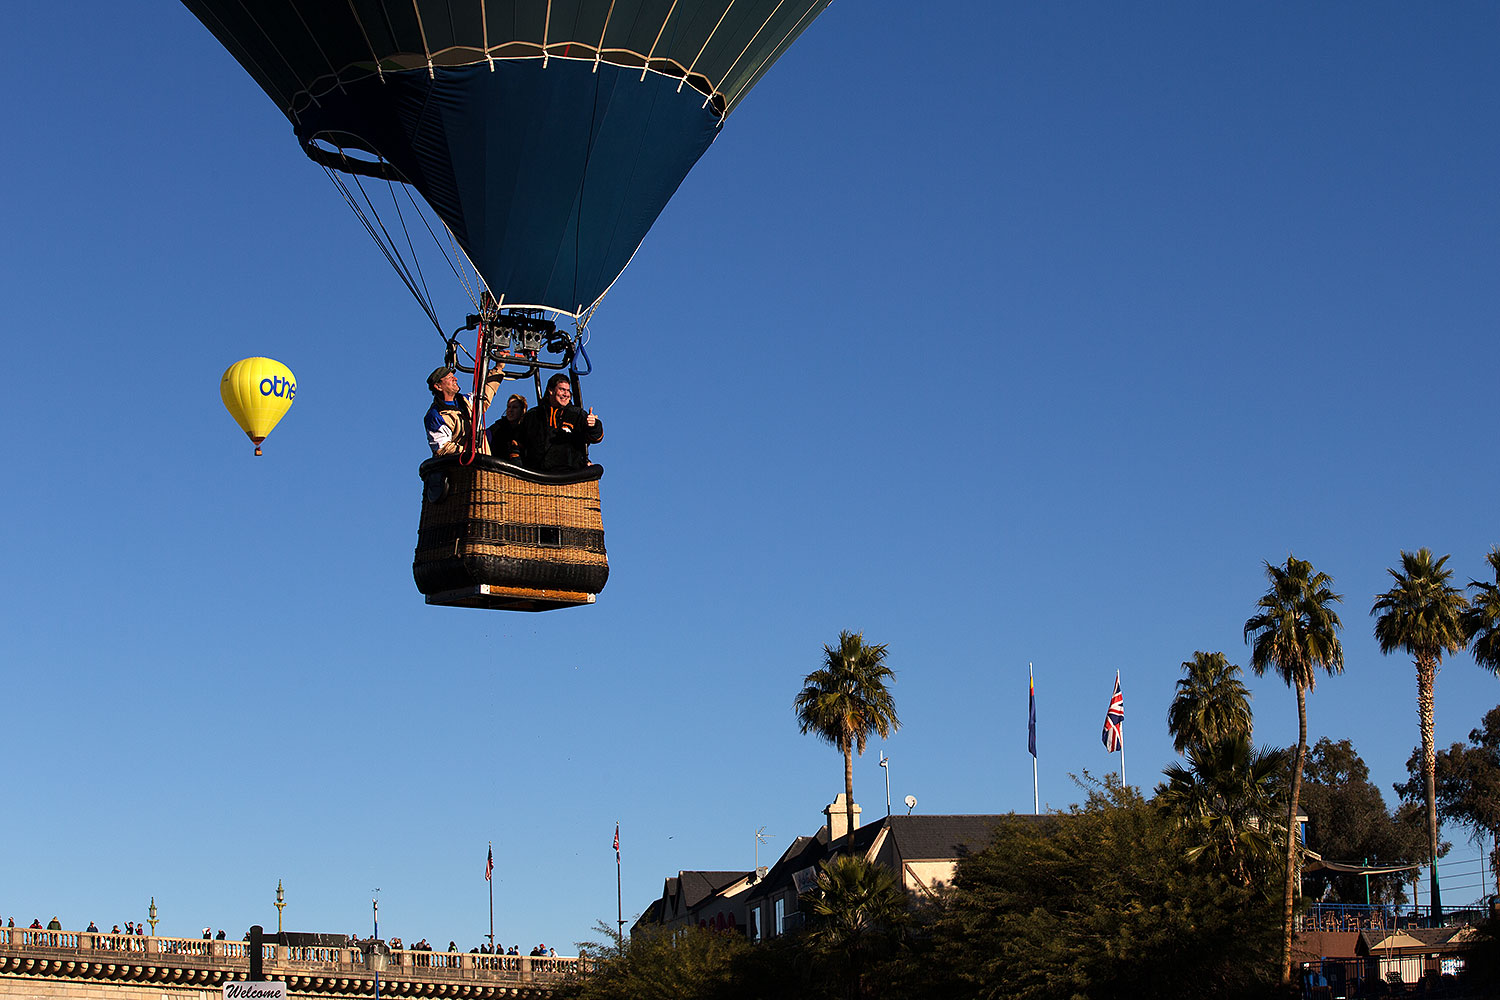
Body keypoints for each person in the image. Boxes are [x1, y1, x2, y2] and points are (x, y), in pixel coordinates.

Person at [519, 374, 603, 473]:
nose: (566, 394)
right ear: (551, 390)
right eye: (562, 389)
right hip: (537, 475)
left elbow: (596, 437)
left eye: (568, 391)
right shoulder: (533, 415)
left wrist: (594, 425)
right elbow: (519, 442)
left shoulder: (577, 414)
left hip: (568, 475)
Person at [425, 363, 504, 457]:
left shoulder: (465, 401)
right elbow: (442, 448)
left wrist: (498, 368)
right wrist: (469, 451)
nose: (455, 379)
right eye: (449, 377)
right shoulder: (436, 416)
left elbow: (485, 396)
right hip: (459, 468)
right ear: (438, 386)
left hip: (481, 464)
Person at [487, 394, 529, 464]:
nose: (510, 410)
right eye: (508, 407)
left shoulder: (527, 430)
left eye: (514, 407)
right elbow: (485, 438)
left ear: (522, 411)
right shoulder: (498, 428)